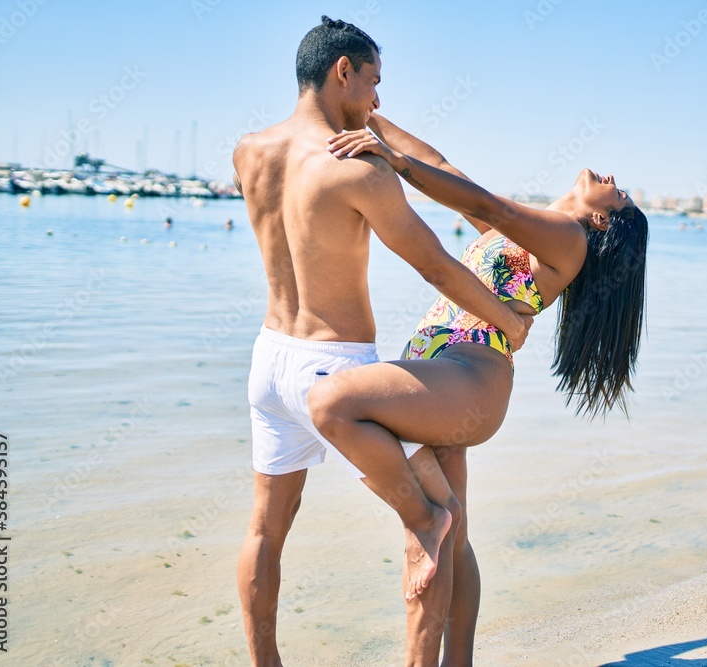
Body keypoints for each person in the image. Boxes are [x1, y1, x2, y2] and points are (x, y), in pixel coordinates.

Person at [231, 17, 532, 667]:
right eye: (373, 83)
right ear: (344, 70)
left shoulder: (248, 152)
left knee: (264, 529)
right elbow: (437, 266)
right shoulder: (359, 172)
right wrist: (506, 319)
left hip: (268, 359)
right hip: (337, 368)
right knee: (436, 517)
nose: (376, 102)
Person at [307, 113, 649, 665]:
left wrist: (395, 163)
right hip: (444, 372)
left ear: (604, 222)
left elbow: (487, 204)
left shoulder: (567, 238)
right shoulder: (525, 234)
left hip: (469, 378)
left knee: (333, 402)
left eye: (621, 194)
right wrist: (371, 119)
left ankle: (424, 519)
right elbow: (448, 172)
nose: (613, 179)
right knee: (456, 538)